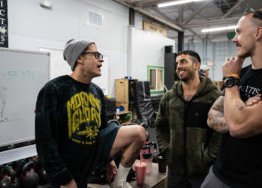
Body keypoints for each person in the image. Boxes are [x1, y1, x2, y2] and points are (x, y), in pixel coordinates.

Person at [202, 6, 262, 188]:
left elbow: (238, 127)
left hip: (257, 182)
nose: (234, 39)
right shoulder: (243, 73)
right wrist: (241, 108)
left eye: (238, 32)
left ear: (258, 33)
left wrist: (231, 80)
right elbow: (212, 115)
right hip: (218, 174)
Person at [35, 39, 147, 188]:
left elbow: (101, 130)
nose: (101, 59)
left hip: (89, 163)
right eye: (96, 55)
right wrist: (64, 178)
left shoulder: (97, 91)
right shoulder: (54, 90)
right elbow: (45, 141)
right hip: (67, 169)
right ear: (79, 58)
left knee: (139, 132)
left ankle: (119, 183)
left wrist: (109, 160)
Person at [155, 50, 222, 188]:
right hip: (175, 171)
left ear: (196, 65)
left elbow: (220, 131)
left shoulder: (214, 96)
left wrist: (208, 156)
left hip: (203, 171)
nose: (178, 66)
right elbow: (160, 126)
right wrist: (167, 151)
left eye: (183, 61)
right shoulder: (169, 97)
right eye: (177, 63)